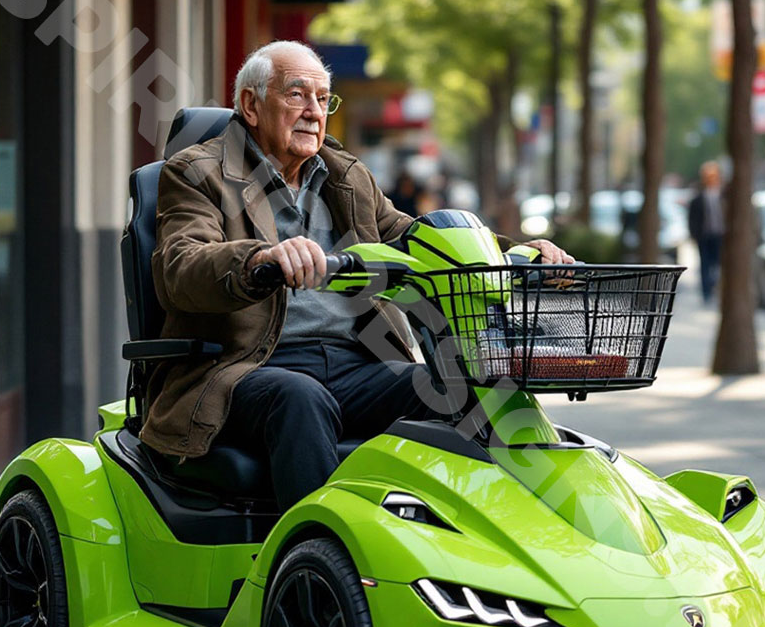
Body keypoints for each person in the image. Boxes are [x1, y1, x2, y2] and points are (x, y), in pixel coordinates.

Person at [141, 41, 574, 512]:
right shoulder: (196, 172)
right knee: (300, 399)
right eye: (296, 95)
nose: (313, 112)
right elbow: (180, 265)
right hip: (248, 368)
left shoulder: (346, 177)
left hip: (356, 364)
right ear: (250, 105)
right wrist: (260, 258)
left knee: (465, 388)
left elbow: (416, 237)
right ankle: (315, 554)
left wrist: (519, 253)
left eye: (323, 99)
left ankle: (476, 549)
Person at [688, 161, 725, 304]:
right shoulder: (698, 198)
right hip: (704, 235)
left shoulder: (722, 195)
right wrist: (694, 234)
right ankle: (706, 292)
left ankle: (715, 287)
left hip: (719, 235)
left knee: (717, 264)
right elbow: (692, 218)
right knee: (704, 264)